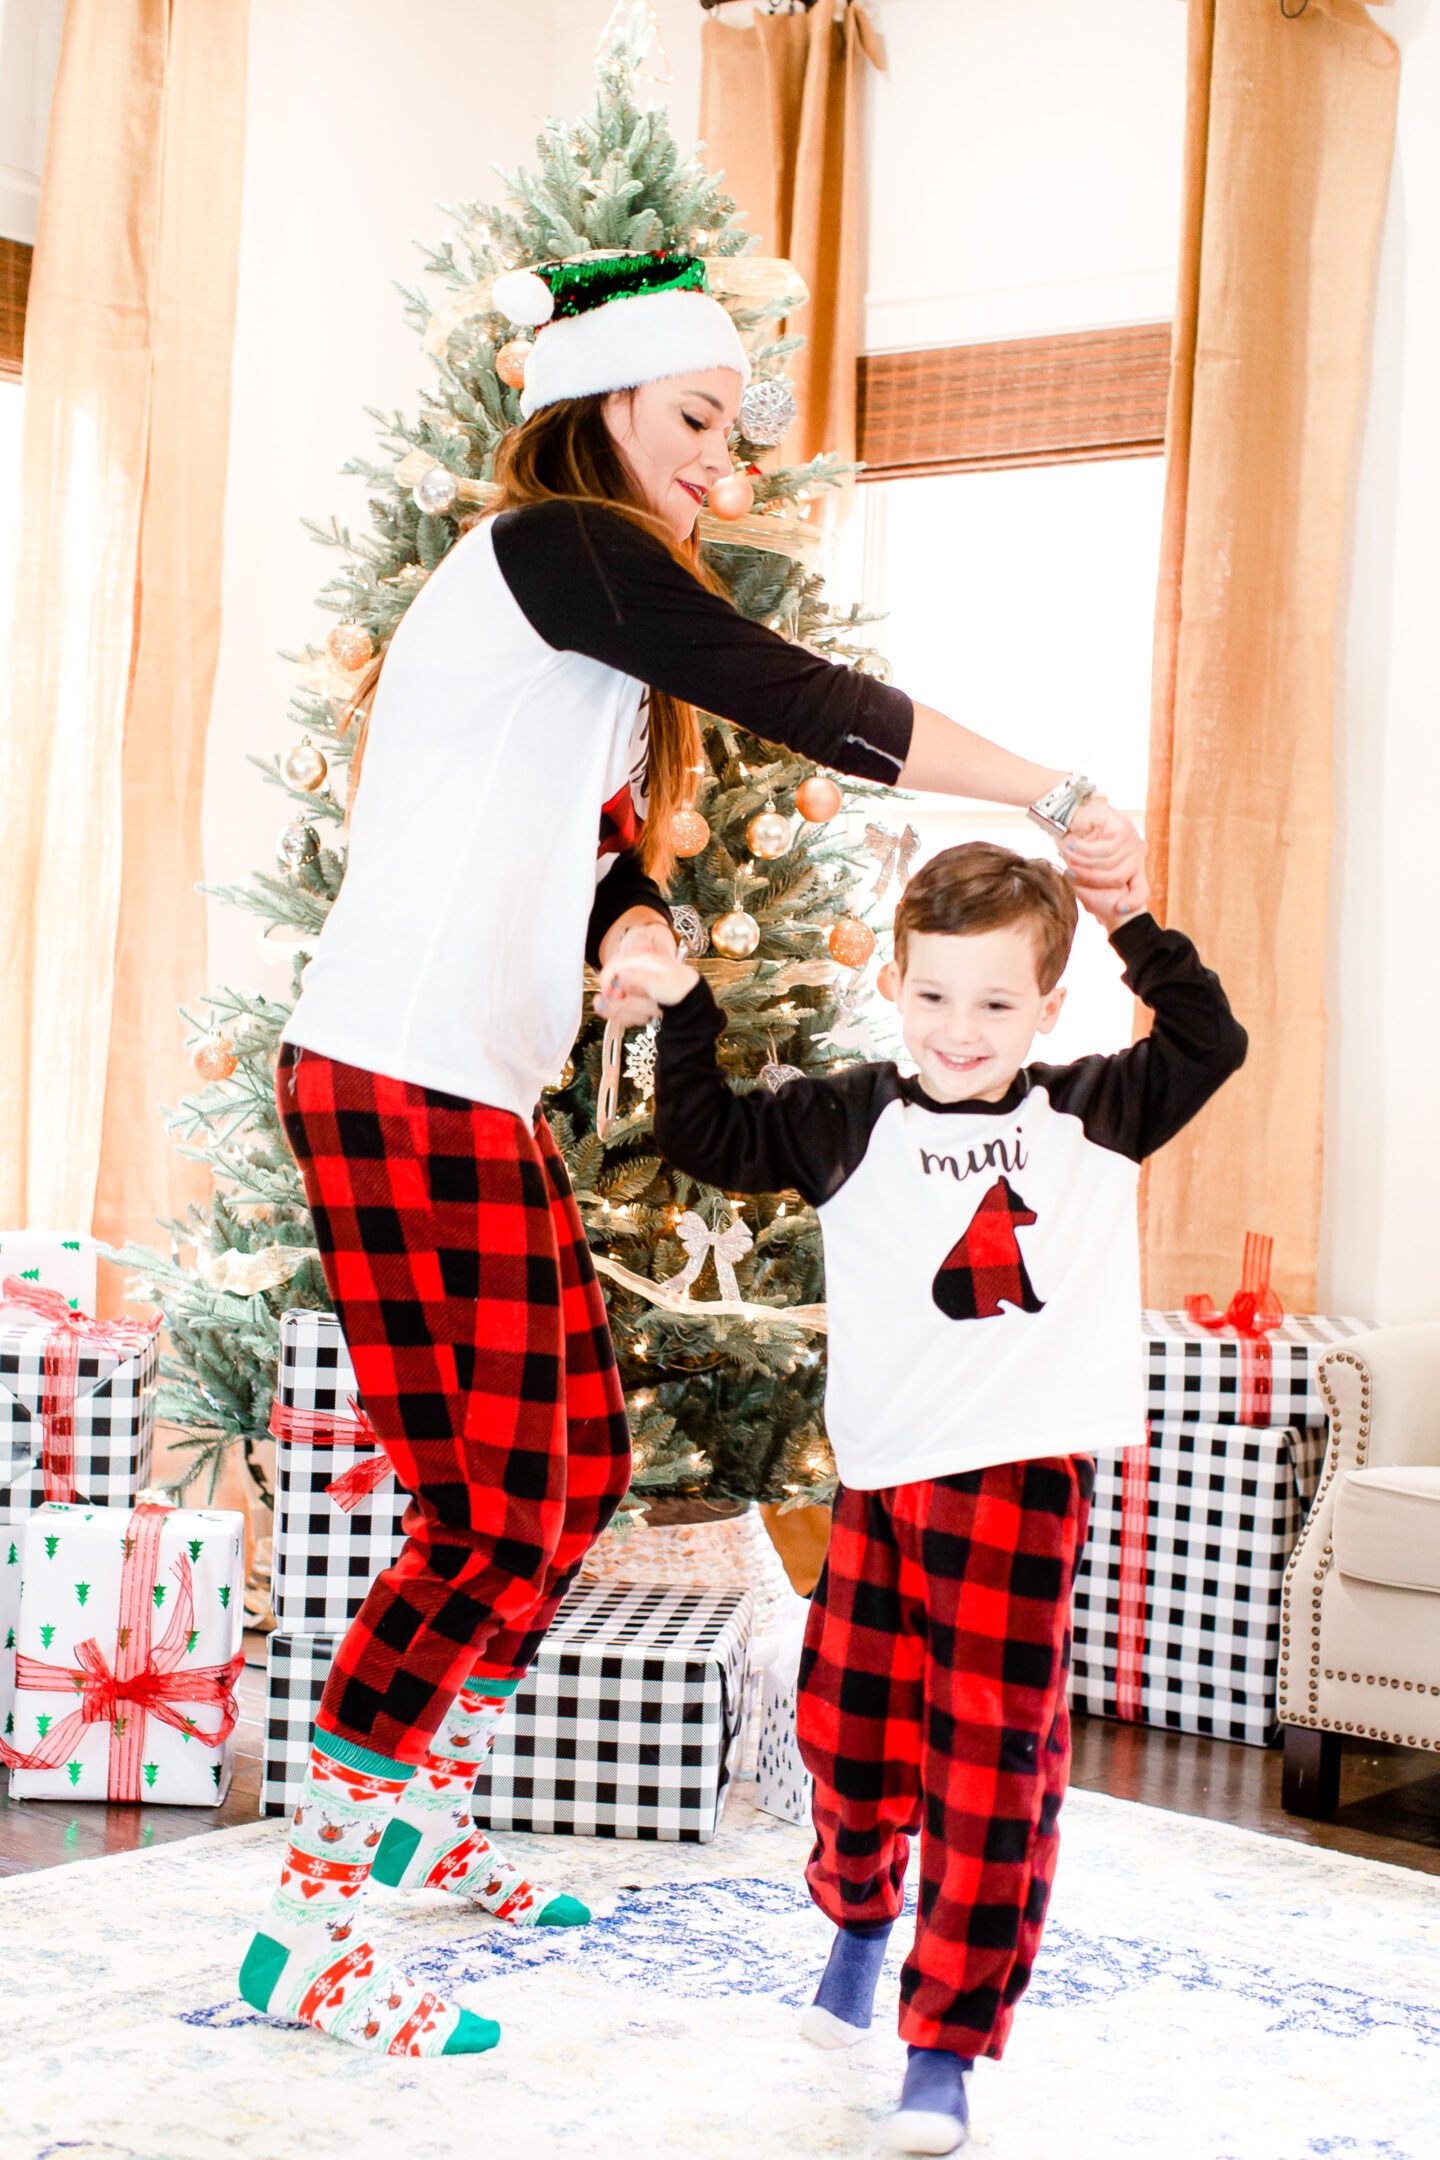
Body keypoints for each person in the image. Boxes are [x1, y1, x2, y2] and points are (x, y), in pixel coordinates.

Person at [239, 247, 1146, 2059]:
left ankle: (411, 1799)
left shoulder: (561, 605)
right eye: (697, 421)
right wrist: (1049, 790)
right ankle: (310, 1926)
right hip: (400, 1079)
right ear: (602, 407)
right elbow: (805, 694)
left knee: (559, 1482)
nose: (721, 464)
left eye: (732, 432)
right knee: (502, 1512)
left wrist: (631, 927)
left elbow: (577, 833)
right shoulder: (560, 546)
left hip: (451, 1089)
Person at [605, 839, 1245, 2152]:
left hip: (1017, 1482)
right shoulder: (853, 1117)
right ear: (894, 983)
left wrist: (1128, 917)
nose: (962, 1031)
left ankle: (944, 2040)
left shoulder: (1090, 1113)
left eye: (998, 1004)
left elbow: (1210, 1037)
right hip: (883, 1483)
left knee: (990, 1764)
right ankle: (854, 1927)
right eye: (937, 996)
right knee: (849, 1729)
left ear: (1049, 1011)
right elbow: (704, 1131)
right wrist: (682, 1007)